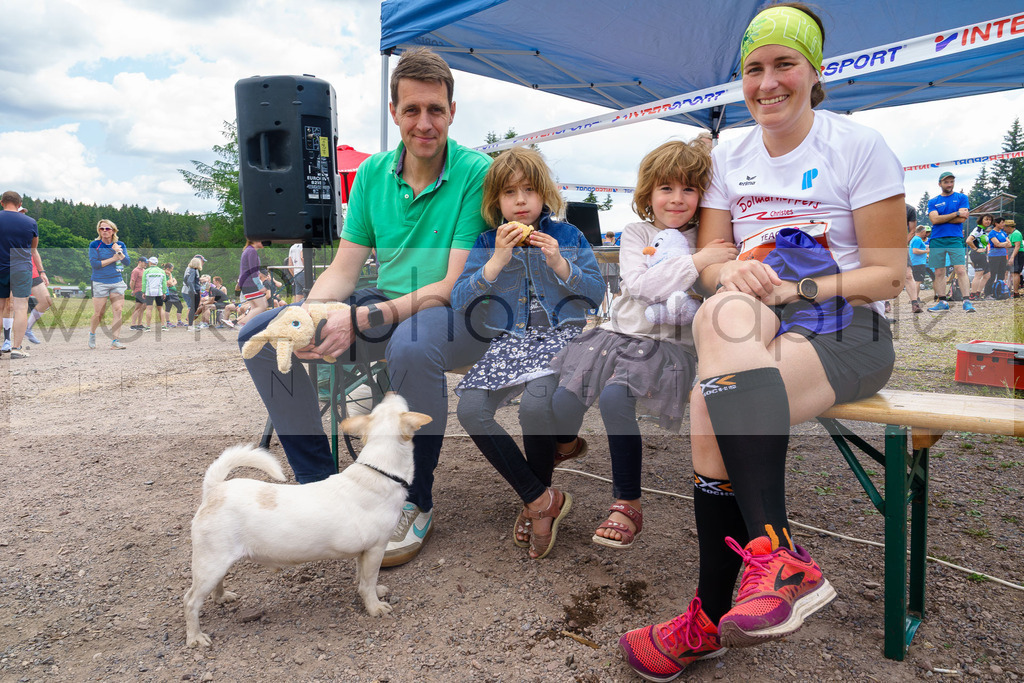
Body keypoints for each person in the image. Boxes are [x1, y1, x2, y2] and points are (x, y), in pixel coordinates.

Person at [618, 6, 906, 680]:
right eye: (754, 68)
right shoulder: (729, 155)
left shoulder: (857, 146)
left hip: (845, 321)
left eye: (784, 64)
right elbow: (714, 257)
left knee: (704, 409)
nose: (767, 82)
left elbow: (891, 273)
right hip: (757, 315)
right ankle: (778, 557)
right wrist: (733, 270)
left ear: (815, 72)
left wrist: (794, 292)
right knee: (718, 313)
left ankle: (707, 620)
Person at [238, 47, 493, 567]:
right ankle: (316, 486)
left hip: (458, 311)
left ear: (451, 112)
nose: (425, 123)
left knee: (412, 345)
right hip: (390, 305)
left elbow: (448, 284)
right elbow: (345, 270)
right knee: (263, 336)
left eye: (436, 110)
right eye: (412, 110)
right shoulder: (375, 172)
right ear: (394, 111)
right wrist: (305, 316)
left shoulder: (476, 171)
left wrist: (358, 318)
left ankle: (415, 498)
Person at [550, 139, 736, 552]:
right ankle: (566, 444)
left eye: (689, 188)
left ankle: (627, 502)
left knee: (616, 399)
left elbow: (697, 290)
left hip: (668, 346)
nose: (677, 199)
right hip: (617, 335)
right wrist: (698, 260)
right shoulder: (639, 233)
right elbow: (639, 285)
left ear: (703, 194)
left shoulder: (709, 235)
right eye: (666, 188)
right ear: (648, 193)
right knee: (563, 400)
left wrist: (704, 255)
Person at [452, 147, 604, 560]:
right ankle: (541, 498)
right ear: (496, 202)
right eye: (509, 192)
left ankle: (535, 508)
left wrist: (559, 262)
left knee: (536, 410)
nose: (520, 200)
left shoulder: (568, 236)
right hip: (509, 341)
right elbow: (460, 301)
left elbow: (596, 295)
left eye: (529, 190)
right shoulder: (487, 242)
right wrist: (495, 262)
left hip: (559, 338)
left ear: (544, 195)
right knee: (469, 410)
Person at [926, 171, 974, 312]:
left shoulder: (961, 197)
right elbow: (934, 220)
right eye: (946, 182)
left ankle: (966, 301)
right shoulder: (933, 201)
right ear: (940, 184)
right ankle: (942, 302)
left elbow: (962, 218)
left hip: (955, 238)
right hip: (936, 239)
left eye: (951, 181)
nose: (949, 184)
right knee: (939, 272)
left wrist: (944, 217)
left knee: (960, 269)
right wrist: (955, 213)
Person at [0, 191, 39, 359]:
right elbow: (33, 249)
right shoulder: (31, 222)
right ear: (19, 203)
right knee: (21, 307)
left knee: (1, 308)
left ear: (2, 202)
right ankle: (16, 348)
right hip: (21, 268)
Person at [87, 219, 129, 350]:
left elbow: (127, 262)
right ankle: (92, 333)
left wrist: (119, 252)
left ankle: (115, 341)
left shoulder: (120, 244)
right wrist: (113, 259)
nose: (104, 231)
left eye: (107, 229)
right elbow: (95, 264)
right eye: (101, 229)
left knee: (118, 310)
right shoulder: (94, 245)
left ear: (113, 231)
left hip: (116, 281)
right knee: (99, 313)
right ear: (99, 231)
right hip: (99, 281)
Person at [235, 239, 268, 327]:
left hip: (245, 283)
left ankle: (244, 325)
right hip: (250, 283)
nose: (265, 243)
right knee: (262, 306)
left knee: (254, 308)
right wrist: (259, 285)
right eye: (263, 241)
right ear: (255, 241)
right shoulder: (252, 251)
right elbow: (253, 271)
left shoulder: (248, 250)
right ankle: (241, 324)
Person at [967, 214, 992, 300]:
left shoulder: (983, 230)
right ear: (981, 220)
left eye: (990, 220)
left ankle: (978, 293)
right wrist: (976, 249)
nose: (988, 221)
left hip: (983, 255)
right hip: (977, 254)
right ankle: (972, 295)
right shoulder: (978, 229)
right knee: (978, 275)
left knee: (987, 275)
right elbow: (968, 240)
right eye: (986, 219)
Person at [907, 225, 930, 313]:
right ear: (922, 232)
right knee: (918, 281)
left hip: (917, 262)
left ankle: (916, 298)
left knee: (918, 280)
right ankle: (915, 299)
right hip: (918, 263)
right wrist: (926, 251)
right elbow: (915, 251)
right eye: (925, 232)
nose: (926, 234)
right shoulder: (917, 239)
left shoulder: (915, 239)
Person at [142, 256, 169, 330]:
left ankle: (148, 327)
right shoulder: (161, 271)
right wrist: (164, 292)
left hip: (149, 292)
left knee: (149, 308)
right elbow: (164, 283)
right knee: (160, 308)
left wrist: (143, 291)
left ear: (150, 262)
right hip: (159, 292)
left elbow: (144, 283)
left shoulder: (146, 271)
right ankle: (163, 326)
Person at [598, 230, 621, 317]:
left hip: (601, 273)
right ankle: (614, 313)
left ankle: (604, 313)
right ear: (613, 238)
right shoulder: (616, 247)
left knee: (603, 293)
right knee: (615, 292)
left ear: (605, 237)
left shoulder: (599, 247)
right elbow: (618, 262)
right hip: (614, 273)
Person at [986, 216, 1010, 295]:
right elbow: (996, 244)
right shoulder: (992, 233)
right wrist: (1003, 244)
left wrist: (1002, 244)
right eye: (1002, 223)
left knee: (1002, 273)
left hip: (1003, 255)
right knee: (993, 274)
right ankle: (988, 293)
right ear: (996, 224)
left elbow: (1009, 244)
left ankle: (999, 291)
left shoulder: (1003, 233)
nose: (1004, 224)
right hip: (994, 256)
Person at [182, 255, 205, 330]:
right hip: (194, 291)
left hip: (192, 290)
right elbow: (189, 281)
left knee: (193, 308)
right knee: (193, 308)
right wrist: (193, 290)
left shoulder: (190, 269)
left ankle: (190, 325)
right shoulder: (193, 270)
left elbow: (185, 280)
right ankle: (190, 325)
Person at [128, 256, 149, 330]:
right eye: (144, 262)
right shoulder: (136, 270)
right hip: (138, 290)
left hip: (144, 291)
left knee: (142, 307)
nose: (145, 264)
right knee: (139, 307)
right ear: (140, 262)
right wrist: (133, 290)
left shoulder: (144, 270)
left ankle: (139, 324)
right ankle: (133, 325)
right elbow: (132, 281)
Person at [1006, 219, 1021, 296]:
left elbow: (1017, 246)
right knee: (1012, 272)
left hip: (1017, 253)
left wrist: (1012, 257)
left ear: (1009, 227)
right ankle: (1012, 289)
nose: (1004, 229)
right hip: (1012, 252)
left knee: (1015, 272)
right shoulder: (1011, 234)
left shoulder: (1016, 233)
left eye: (1005, 227)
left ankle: (1016, 292)